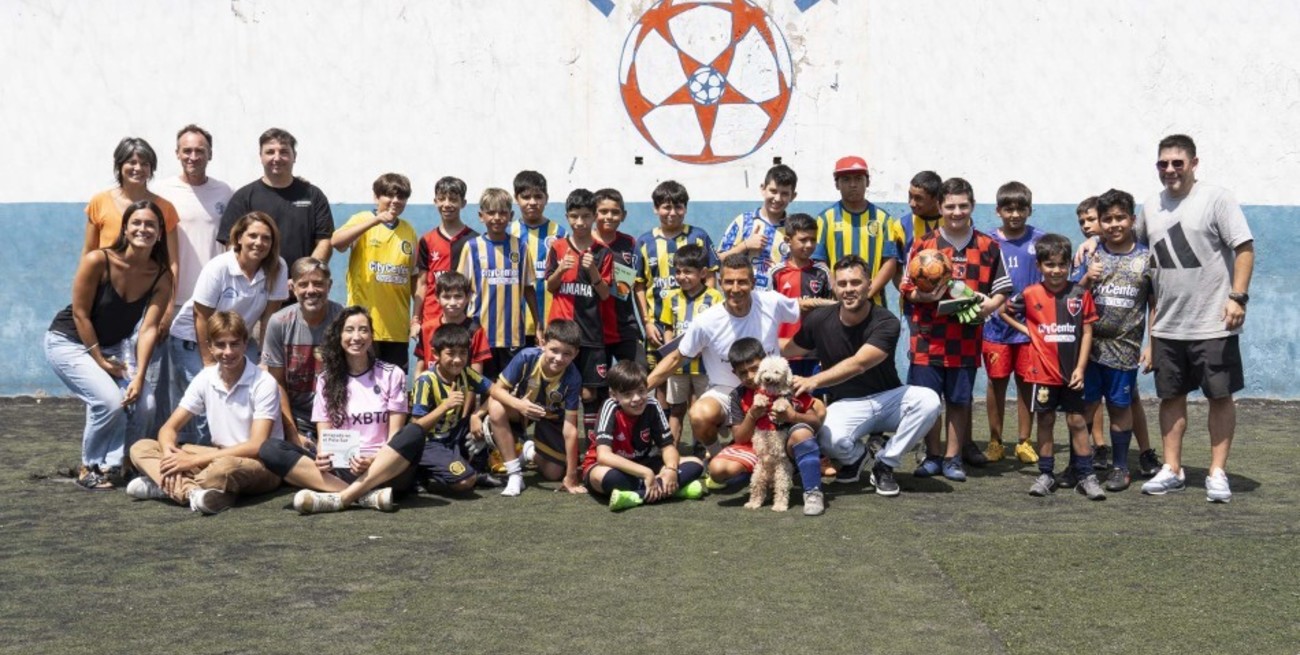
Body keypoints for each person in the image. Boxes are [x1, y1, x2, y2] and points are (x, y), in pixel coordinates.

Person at [1136, 134, 1254, 502]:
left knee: (1220, 397)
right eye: (1163, 163)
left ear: (1193, 163)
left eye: (1177, 162)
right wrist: (1093, 242)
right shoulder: (1150, 206)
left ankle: (1217, 473)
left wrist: (1237, 297)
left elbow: (1244, 248)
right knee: (1171, 397)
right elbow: (1134, 248)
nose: (1169, 169)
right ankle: (1172, 469)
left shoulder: (1216, 198)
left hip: (1212, 322)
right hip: (1167, 325)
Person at [785, 254, 943, 498]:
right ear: (835, 287)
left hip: (888, 399)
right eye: (843, 284)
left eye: (856, 283)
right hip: (847, 404)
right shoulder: (819, 320)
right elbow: (788, 349)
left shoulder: (886, 321)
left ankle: (885, 464)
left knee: (929, 400)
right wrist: (748, 342)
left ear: (869, 285)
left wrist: (814, 380)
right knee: (827, 439)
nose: (849, 289)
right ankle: (860, 457)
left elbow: (859, 363)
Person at [47, 200, 172, 490]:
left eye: (151, 224)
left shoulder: (162, 275)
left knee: (145, 403)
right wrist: (100, 360)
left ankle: (124, 463)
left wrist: (139, 376)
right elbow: (80, 314)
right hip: (69, 341)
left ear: (160, 233)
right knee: (108, 401)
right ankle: (90, 466)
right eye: (137, 223)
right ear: (125, 230)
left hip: (114, 347)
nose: (144, 229)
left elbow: (149, 328)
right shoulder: (98, 261)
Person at [902, 178, 1010, 482]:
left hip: (965, 340)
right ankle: (932, 455)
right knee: (927, 402)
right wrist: (922, 296)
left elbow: (1001, 291)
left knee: (960, 400)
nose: (957, 211)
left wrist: (989, 305)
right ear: (940, 207)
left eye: (963, 205)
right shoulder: (925, 245)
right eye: (950, 206)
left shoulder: (988, 246)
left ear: (973, 206)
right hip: (926, 338)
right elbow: (907, 288)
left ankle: (953, 458)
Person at [257, 307, 417, 514]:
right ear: (340, 336)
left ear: (371, 337)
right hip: (342, 469)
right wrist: (323, 456)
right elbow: (324, 435)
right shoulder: (326, 379)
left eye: (363, 330)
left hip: (385, 471)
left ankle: (343, 498)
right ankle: (364, 496)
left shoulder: (392, 374)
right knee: (270, 449)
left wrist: (372, 461)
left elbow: (394, 437)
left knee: (415, 433)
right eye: (349, 330)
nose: (356, 337)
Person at [126, 312, 283, 514]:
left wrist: (191, 461)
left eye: (234, 344)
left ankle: (164, 487)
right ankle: (194, 493)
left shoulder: (264, 382)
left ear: (245, 344)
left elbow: (257, 445)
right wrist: (169, 459)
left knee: (223, 470)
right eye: (220, 344)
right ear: (209, 346)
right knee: (141, 447)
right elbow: (168, 429)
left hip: (261, 463)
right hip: (216, 454)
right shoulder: (205, 378)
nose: (228, 352)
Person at [647, 254, 800, 455]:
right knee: (699, 415)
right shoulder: (706, 322)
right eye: (729, 282)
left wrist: (840, 311)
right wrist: (642, 388)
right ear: (720, 283)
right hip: (725, 392)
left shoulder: (772, 301)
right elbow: (676, 358)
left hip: (771, 388)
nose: (735, 289)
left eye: (742, 282)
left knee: (808, 417)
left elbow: (802, 309)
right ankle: (719, 455)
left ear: (753, 283)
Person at [168, 211, 289, 444]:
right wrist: (209, 362)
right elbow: (201, 316)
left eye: (266, 238)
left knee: (257, 391)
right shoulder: (219, 267)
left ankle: (240, 453)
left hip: (237, 342)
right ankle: (196, 458)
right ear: (239, 238)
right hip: (194, 340)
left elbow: (269, 316)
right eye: (252, 235)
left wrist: (265, 358)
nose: (259, 243)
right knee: (206, 407)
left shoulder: (278, 267)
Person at [999, 234, 1104, 499]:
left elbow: (1088, 332)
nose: (1056, 271)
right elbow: (1003, 310)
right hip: (1042, 373)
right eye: (1050, 265)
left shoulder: (1079, 294)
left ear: (1069, 265)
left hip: (1073, 374)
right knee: (1045, 420)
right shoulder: (1030, 293)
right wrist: (1030, 332)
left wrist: (1081, 368)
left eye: (1061, 265)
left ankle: (1086, 475)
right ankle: (1046, 474)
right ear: (1039, 266)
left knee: (1078, 421)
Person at [1077, 189, 1162, 491]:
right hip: (1088, 350)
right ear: (1099, 222)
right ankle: (1080, 464)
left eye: (1120, 218)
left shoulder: (1146, 259)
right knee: (1083, 408)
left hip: (1125, 351)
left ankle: (1121, 466)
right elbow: (1072, 298)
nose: (1114, 224)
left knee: (1120, 408)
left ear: (1132, 219)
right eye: (1107, 219)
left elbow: (1154, 305)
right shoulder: (1090, 254)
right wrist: (1087, 277)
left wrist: (1153, 345)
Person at [712, 338, 828, 516]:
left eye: (754, 369)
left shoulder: (792, 387)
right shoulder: (738, 395)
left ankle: (809, 482)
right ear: (734, 373)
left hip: (785, 443)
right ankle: (755, 479)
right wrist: (752, 414)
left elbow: (815, 421)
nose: (750, 376)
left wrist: (792, 416)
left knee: (804, 431)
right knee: (717, 469)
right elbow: (740, 437)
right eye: (743, 373)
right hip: (757, 446)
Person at [82, 137, 182, 338]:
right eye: (131, 162)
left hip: (147, 296)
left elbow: (172, 262)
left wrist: (168, 305)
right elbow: (89, 251)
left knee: (143, 358)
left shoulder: (165, 208)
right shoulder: (99, 202)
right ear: (119, 165)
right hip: (106, 296)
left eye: (145, 164)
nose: (138, 168)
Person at [481, 319, 587, 497]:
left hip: (552, 418)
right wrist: (520, 405)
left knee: (553, 473)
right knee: (496, 405)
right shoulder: (526, 357)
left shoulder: (573, 378)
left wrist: (571, 475)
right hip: (523, 410)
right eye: (554, 350)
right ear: (543, 344)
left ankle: (528, 451)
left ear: (576, 354)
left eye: (567, 353)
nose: (559, 358)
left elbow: (570, 429)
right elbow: (497, 390)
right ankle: (514, 474)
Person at [981, 182, 1048, 465]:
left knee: (1026, 384)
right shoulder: (986, 243)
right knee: (996, 383)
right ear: (999, 211)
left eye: (1021, 208)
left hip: (1029, 329)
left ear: (1029, 210)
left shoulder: (1042, 241)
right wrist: (992, 304)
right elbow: (980, 280)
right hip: (995, 328)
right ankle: (995, 441)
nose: (1015, 214)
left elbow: (1051, 279)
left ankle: (1024, 441)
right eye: (1008, 208)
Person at [583, 360, 707, 511]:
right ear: (614, 395)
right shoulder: (610, 407)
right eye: (628, 394)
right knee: (603, 477)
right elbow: (603, 456)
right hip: (610, 467)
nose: (637, 398)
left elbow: (668, 447)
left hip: (642, 462)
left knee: (696, 464)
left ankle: (636, 495)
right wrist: (646, 473)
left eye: (641, 391)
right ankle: (670, 489)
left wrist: (671, 470)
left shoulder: (653, 405)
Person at [545, 188, 614, 441]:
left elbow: (606, 294)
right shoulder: (558, 247)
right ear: (567, 217)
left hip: (591, 333)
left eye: (586, 216)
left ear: (594, 216)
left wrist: (594, 271)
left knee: (589, 394)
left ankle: (593, 447)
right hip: (562, 333)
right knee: (558, 390)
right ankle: (558, 444)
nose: (580, 222)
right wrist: (561, 270)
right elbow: (551, 287)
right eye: (575, 216)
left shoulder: (603, 251)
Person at [331, 173, 418, 371]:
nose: (395, 201)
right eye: (389, 195)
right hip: (363, 328)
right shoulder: (362, 219)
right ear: (376, 197)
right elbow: (337, 242)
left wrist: (415, 319)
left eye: (401, 197)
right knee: (362, 383)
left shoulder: (409, 230)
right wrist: (376, 220)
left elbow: (414, 277)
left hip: (396, 327)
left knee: (394, 387)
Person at [218, 128, 334, 270]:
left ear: (294, 156)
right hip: (256, 287)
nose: (277, 158)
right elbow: (232, 244)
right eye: (270, 152)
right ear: (261, 156)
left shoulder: (313, 195)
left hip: (301, 288)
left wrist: (304, 276)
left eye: (284, 152)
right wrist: (255, 277)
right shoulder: (243, 197)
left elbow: (324, 241)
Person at [457, 188, 541, 381]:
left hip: (513, 333)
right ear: (481, 216)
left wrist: (538, 324)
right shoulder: (472, 247)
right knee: (479, 384)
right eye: (491, 212)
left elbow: (528, 288)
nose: (497, 217)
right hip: (479, 331)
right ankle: (477, 413)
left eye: (503, 213)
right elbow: (461, 289)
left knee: (510, 385)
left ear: (510, 216)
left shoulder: (520, 246)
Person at [154, 125, 233, 326]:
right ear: (177, 154)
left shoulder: (225, 192)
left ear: (210, 154)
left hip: (214, 297)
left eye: (200, 151)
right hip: (172, 298)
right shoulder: (160, 191)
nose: (193, 156)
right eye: (187, 150)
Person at [634, 180, 719, 366]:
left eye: (678, 207)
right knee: (662, 378)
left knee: (697, 378)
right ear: (656, 209)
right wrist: (647, 322)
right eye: (666, 207)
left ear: (686, 209)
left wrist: (706, 318)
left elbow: (711, 277)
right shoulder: (644, 242)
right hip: (658, 326)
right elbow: (639, 285)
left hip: (695, 324)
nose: (672, 213)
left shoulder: (699, 237)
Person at [261, 257, 343, 447]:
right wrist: (292, 433)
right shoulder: (279, 322)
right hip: (296, 419)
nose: (311, 290)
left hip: (337, 419)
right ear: (292, 287)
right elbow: (276, 383)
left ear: (329, 286)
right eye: (303, 284)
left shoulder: (343, 320)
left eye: (318, 284)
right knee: (272, 453)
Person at [408, 323, 491, 494]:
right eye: (451, 354)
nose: (458, 359)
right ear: (436, 354)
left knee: (494, 415)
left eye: (463, 353)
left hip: (452, 435)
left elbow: (497, 391)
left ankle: (477, 468)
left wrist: (477, 414)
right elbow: (416, 427)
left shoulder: (466, 373)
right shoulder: (426, 381)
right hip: (429, 442)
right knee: (465, 482)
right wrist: (445, 406)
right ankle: (420, 470)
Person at [656, 244, 724, 448]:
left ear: (703, 272)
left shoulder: (715, 297)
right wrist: (669, 348)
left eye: (688, 271)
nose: (682, 276)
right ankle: (672, 451)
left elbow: (719, 329)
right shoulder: (671, 297)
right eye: (678, 271)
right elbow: (668, 326)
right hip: (678, 367)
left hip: (705, 367)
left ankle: (702, 449)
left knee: (701, 409)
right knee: (676, 409)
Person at [814, 155, 901, 306]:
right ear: (837, 184)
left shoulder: (884, 219)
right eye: (846, 179)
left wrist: (868, 293)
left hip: (874, 303)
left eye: (858, 179)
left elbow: (890, 262)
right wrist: (838, 290)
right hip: (836, 303)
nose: (853, 184)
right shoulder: (825, 219)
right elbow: (819, 261)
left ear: (867, 182)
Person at [413, 176, 478, 371]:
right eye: (442, 199)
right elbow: (422, 283)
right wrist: (416, 319)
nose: (447, 204)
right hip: (433, 316)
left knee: (462, 368)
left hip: (462, 318)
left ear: (463, 203)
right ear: (435, 202)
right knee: (429, 367)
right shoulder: (426, 240)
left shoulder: (474, 240)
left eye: (453, 199)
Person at [769, 213, 835, 378]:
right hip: (784, 350)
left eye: (813, 240)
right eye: (803, 240)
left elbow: (830, 311)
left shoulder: (822, 272)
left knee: (814, 399)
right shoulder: (776, 273)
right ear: (788, 240)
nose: (809, 245)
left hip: (814, 351)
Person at [716, 164, 799, 291]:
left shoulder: (793, 228)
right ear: (763, 189)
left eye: (784, 194)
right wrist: (745, 245)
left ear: (793, 196)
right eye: (773, 191)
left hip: (778, 300)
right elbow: (718, 259)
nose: (777, 198)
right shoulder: (743, 222)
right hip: (744, 299)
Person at [1073, 195, 1112, 465]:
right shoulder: (1082, 253)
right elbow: (1075, 291)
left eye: (1091, 219)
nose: (1087, 225)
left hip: (1119, 340)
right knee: (1090, 394)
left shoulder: (1125, 248)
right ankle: (1096, 445)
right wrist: (1088, 274)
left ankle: (1144, 452)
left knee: (1127, 399)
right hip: (1088, 334)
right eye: (1082, 221)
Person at [509, 170, 566, 346]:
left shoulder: (560, 233)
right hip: (514, 324)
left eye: (538, 196)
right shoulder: (507, 233)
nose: (532, 202)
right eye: (526, 197)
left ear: (546, 198)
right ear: (516, 198)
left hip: (551, 323)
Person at [592, 188, 645, 369]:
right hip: (593, 329)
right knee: (596, 391)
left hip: (625, 327)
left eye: (615, 212)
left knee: (639, 377)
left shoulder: (630, 243)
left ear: (623, 215)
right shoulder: (582, 242)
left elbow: (637, 286)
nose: (609, 216)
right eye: (603, 211)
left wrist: (645, 321)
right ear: (593, 214)